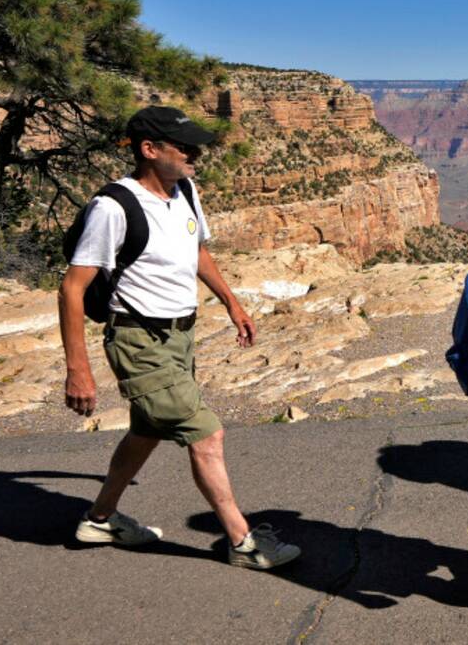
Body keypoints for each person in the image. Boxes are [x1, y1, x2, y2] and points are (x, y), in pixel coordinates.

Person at [59, 105, 301, 569]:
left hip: (179, 338)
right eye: (185, 147)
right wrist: (78, 369)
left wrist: (232, 302)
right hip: (139, 341)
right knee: (205, 434)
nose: (196, 155)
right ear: (150, 150)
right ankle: (243, 542)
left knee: (146, 431)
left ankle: (99, 518)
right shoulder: (114, 207)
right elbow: (73, 287)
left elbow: (197, 252)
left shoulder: (184, 189)